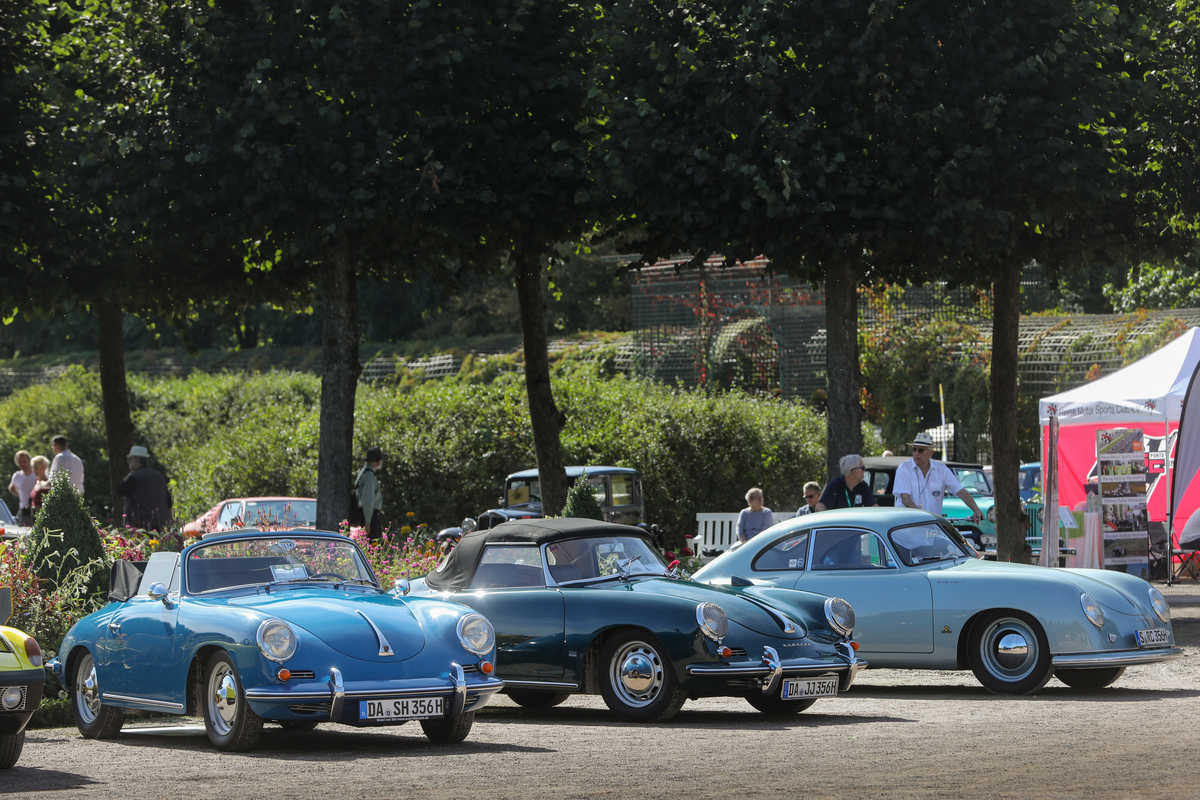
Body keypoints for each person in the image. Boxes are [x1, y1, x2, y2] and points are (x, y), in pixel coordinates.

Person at [893, 432, 984, 522]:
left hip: (932, 525)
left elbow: (960, 491)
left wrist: (976, 510)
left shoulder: (941, 469)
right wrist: (923, 519)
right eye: (914, 449)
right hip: (907, 525)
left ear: (930, 453)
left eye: (921, 450)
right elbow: (905, 499)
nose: (916, 453)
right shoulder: (904, 468)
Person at [117, 445, 173, 531]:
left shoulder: (135, 477)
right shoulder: (158, 475)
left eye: (130, 459)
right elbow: (168, 501)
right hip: (160, 524)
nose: (128, 462)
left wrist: (129, 474)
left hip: (140, 526)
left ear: (137, 459)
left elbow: (120, 490)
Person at [355, 446, 385, 540]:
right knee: (374, 544)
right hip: (370, 517)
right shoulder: (369, 476)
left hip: (367, 515)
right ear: (377, 462)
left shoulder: (364, 472)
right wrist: (368, 522)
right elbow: (367, 500)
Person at [8, 450, 36, 526]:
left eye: (24, 461)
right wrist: (19, 494)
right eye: (20, 462)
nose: (22, 463)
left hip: (36, 508)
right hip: (24, 509)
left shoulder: (36, 473)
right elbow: (12, 487)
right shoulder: (17, 475)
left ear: (29, 460)